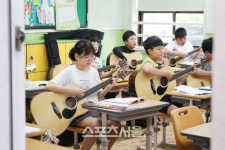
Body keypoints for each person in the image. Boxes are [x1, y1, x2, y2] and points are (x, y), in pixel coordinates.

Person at [45, 39, 121, 150]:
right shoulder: (69, 71)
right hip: (75, 112)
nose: (90, 60)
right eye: (86, 57)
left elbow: (97, 96)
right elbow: (49, 86)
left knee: (116, 125)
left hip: (93, 109)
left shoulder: (94, 72)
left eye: (92, 57)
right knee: (97, 125)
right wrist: (71, 91)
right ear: (77, 56)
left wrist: (108, 88)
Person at [141, 36, 185, 115]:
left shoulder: (158, 62)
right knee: (175, 111)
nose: (162, 51)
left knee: (184, 103)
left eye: (162, 48)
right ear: (150, 51)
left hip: (163, 94)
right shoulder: (148, 61)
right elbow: (147, 69)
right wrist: (164, 73)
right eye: (159, 49)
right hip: (154, 97)